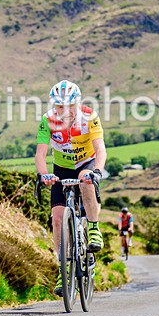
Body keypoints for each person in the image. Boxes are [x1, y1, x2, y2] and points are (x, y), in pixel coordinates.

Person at [36, 80, 106, 296]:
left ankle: (93, 229)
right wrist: (44, 175)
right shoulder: (48, 120)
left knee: (85, 178)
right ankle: (63, 268)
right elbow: (40, 154)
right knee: (57, 218)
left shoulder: (89, 117)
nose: (64, 111)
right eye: (59, 107)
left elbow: (100, 150)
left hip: (87, 163)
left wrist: (97, 170)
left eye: (69, 106)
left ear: (77, 103)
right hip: (62, 168)